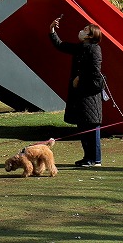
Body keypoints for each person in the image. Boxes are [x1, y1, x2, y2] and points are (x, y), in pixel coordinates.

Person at [49, 17, 105, 167]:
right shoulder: (80, 48)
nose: (81, 31)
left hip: (90, 94)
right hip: (80, 94)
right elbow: (61, 45)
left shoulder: (94, 49)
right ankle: (88, 158)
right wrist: (52, 30)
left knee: (91, 127)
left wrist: (79, 78)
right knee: (83, 127)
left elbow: (95, 72)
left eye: (85, 30)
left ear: (90, 35)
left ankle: (95, 159)